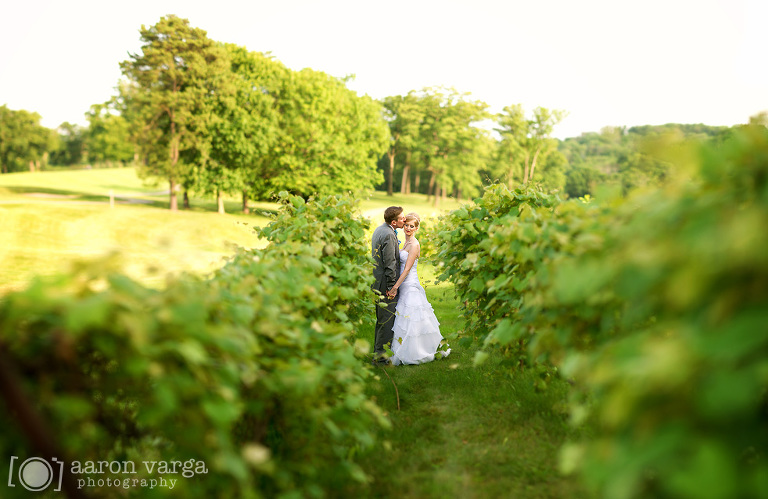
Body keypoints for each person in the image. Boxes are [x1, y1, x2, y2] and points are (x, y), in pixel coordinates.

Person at [387, 213, 450, 365]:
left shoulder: (414, 244)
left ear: (416, 228)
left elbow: (407, 269)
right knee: (404, 317)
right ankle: (402, 347)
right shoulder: (405, 242)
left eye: (412, 226)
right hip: (403, 283)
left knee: (412, 317)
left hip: (409, 283)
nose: (408, 228)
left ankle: (415, 351)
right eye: (407, 225)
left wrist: (395, 287)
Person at [371, 206, 406, 363]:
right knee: (386, 321)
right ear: (394, 221)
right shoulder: (389, 235)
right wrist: (392, 286)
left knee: (381, 320)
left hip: (377, 281)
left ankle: (377, 352)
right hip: (385, 283)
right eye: (402, 218)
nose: (404, 220)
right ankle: (381, 358)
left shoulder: (380, 229)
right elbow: (390, 263)